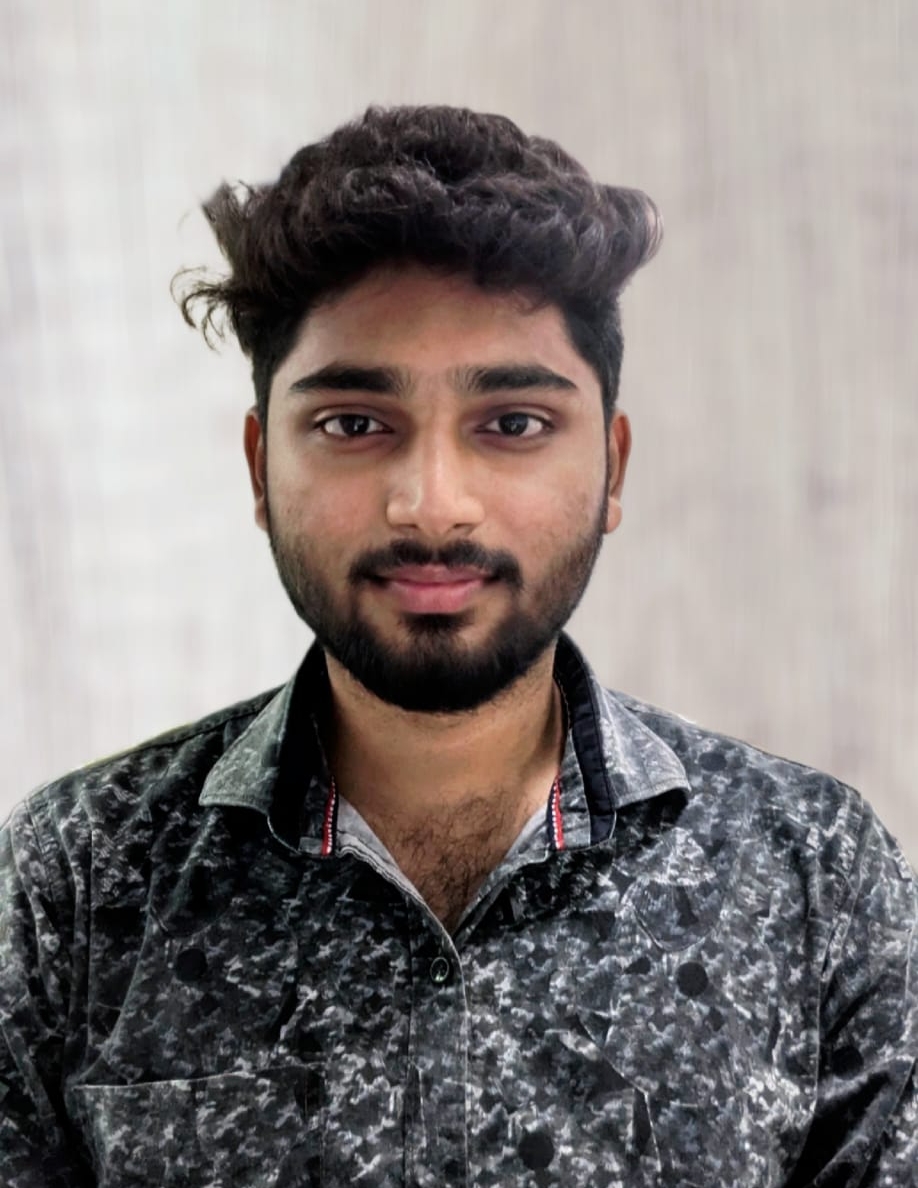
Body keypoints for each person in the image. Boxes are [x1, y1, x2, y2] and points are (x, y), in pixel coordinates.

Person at [1, 105, 915, 1188]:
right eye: (353, 424)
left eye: (513, 424)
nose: (431, 505)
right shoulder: (78, 880)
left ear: (612, 467)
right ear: (259, 467)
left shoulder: (813, 872)